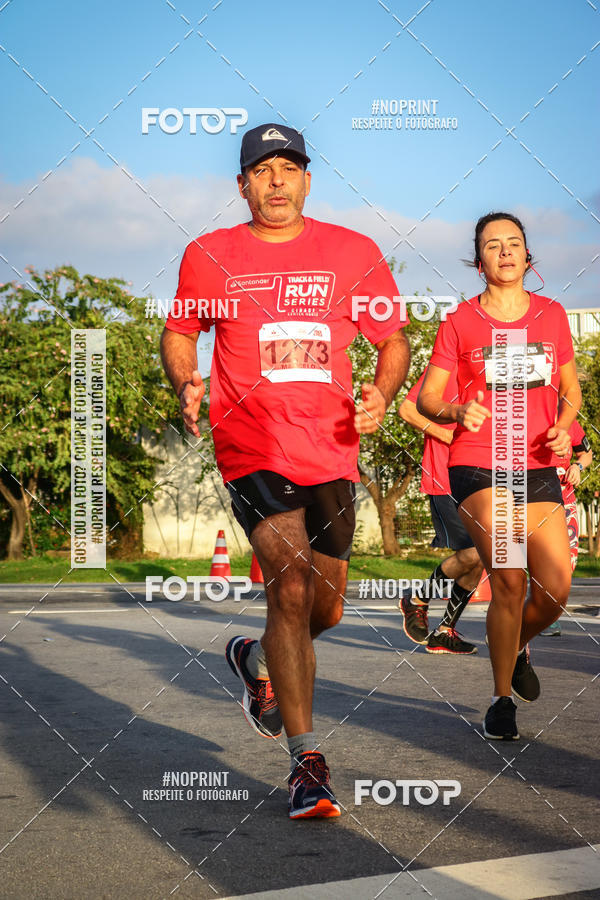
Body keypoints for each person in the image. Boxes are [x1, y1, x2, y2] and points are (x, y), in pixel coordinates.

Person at [160, 123, 410, 818]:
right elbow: (181, 331)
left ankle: (260, 660)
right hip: (250, 443)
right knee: (290, 583)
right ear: (242, 185)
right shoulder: (210, 255)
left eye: (288, 167)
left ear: (307, 180)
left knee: (324, 605)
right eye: (262, 169)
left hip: (331, 447)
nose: (276, 179)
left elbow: (393, 338)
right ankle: (306, 761)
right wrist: (187, 383)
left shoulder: (353, 253)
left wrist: (382, 395)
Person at [417, 211, 581, 741]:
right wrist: (456, 412)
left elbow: (571, 392)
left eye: (514, 243)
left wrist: (562, 426)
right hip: (479, 464)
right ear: (479, 260)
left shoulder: (553, 316)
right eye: (493, 245)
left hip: (535, 463)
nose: (505, 251)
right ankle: (500, 699)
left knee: (554, 590)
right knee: (509, 578)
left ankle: (512, 650)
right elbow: (426, 398)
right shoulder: (460, 321)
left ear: (527, 255)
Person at [398, 367, 483, 654]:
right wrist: (447, 436)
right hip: (445, 479)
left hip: (483, 480)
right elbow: (407, 409)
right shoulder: (445, 370)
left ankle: (445, 630)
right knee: (475, 552)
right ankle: (417, 599)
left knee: (484, 556)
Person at [542, 421, 592, 635]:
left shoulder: (570, 421)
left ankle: (549, 612)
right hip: (537, 500)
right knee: (537, 558)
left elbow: (586, 454)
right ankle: (538, 612)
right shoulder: (526, 415)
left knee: (567, 561)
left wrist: (577, 466)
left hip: (566, 498)